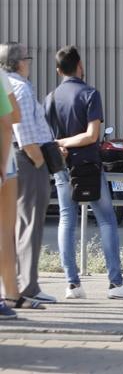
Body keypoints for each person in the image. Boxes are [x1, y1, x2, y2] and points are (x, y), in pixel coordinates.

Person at [46, 46, 123, 300]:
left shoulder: (51, 97)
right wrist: (68, 142)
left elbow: (48, 138)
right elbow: (92, 135)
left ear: (58, 70)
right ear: (80, 65)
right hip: (88, 165)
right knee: (107, 220)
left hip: (63, 167)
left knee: (67, 219)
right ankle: (115, 283)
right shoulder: (90, 94)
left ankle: (72, 284)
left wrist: (61, 144)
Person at [1, 42, 56, 303]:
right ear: (19, 62)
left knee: (14, 225)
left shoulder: (7, 84)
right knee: (30, 223)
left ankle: (16, 285)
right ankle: (28, 286)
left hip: (16, 158)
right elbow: (22, 130)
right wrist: (37, 160)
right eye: (27, 58)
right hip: (26, 158)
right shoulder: (19, 87)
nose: (29, 62)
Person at [1, 61, 39, 316]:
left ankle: (12, 293)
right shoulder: (3, 78)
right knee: (5, 231)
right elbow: (11, 117)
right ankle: (11, 294)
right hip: (5, 161)